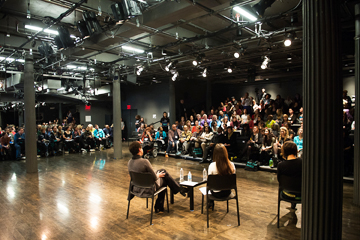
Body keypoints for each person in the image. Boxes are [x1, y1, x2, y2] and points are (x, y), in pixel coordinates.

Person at [127, 141, 188, 213]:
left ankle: (159, 206)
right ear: (140, 150)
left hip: (136, 188)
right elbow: (155, 178)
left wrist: (157, 174)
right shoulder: (144, 162)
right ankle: (178, 189)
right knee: (164, 175)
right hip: (148, 189)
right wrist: (158, 175)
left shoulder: (129, 162)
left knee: (162, 172)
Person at [207, 143, 236, 208]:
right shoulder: (232, 165)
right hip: (227, 192)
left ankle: (210, 203)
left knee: (208, 187)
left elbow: (209, 181)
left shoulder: (212, 165)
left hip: (216, 193)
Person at [277, 141, 302, 209]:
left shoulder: (281, 165)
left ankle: (293, 204)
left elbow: (279, 180)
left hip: (286, 194)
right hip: (301, 195)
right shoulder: (302, 163)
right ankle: (293, 205)